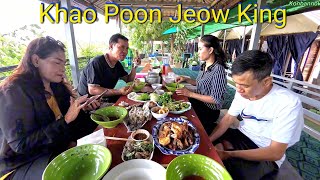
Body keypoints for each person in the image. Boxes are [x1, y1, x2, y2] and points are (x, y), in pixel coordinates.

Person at [0, 36, 100, 179]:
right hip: (21, 164)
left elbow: (70, 120)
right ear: (36, 60)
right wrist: (65, 120)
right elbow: (21, 145)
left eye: (64, 64)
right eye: (57, 62)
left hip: (53, 146)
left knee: (101, 142)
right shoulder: (13, 91)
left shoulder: (55, 85)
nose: (62, 69)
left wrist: (85, 111)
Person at [209, 50, 304, 180]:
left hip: (264, 150)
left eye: (244, 85)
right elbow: (227, 119)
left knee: (228, 173)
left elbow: (275, 152)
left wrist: (228, 154)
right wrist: (208, 141)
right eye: (236, 83)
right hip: (242, 134)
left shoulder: (288, 103)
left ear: (266, 81)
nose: (238, 89)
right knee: (201, 133)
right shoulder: (241, 91)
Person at [176, 35, 227, 135]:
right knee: (179, 101)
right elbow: (201, 83)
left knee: (185, 117)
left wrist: (190, 94)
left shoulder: (218, 70)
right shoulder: (204, 65)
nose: (198, 52)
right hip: (200, 102)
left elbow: (216, 99)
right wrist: (186, 79)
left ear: (210, 50)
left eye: (200, 49)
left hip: (209, 111)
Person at [77, 33, 141, 102]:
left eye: (126, 48)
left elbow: (128, 80)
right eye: (121, 47)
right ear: (111, 46)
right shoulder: (97, 62)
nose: (125, 51)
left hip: (103, 99)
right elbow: (93, 89)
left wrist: (135, 66)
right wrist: (119, 91)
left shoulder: (117, 64)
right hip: (88, 104)